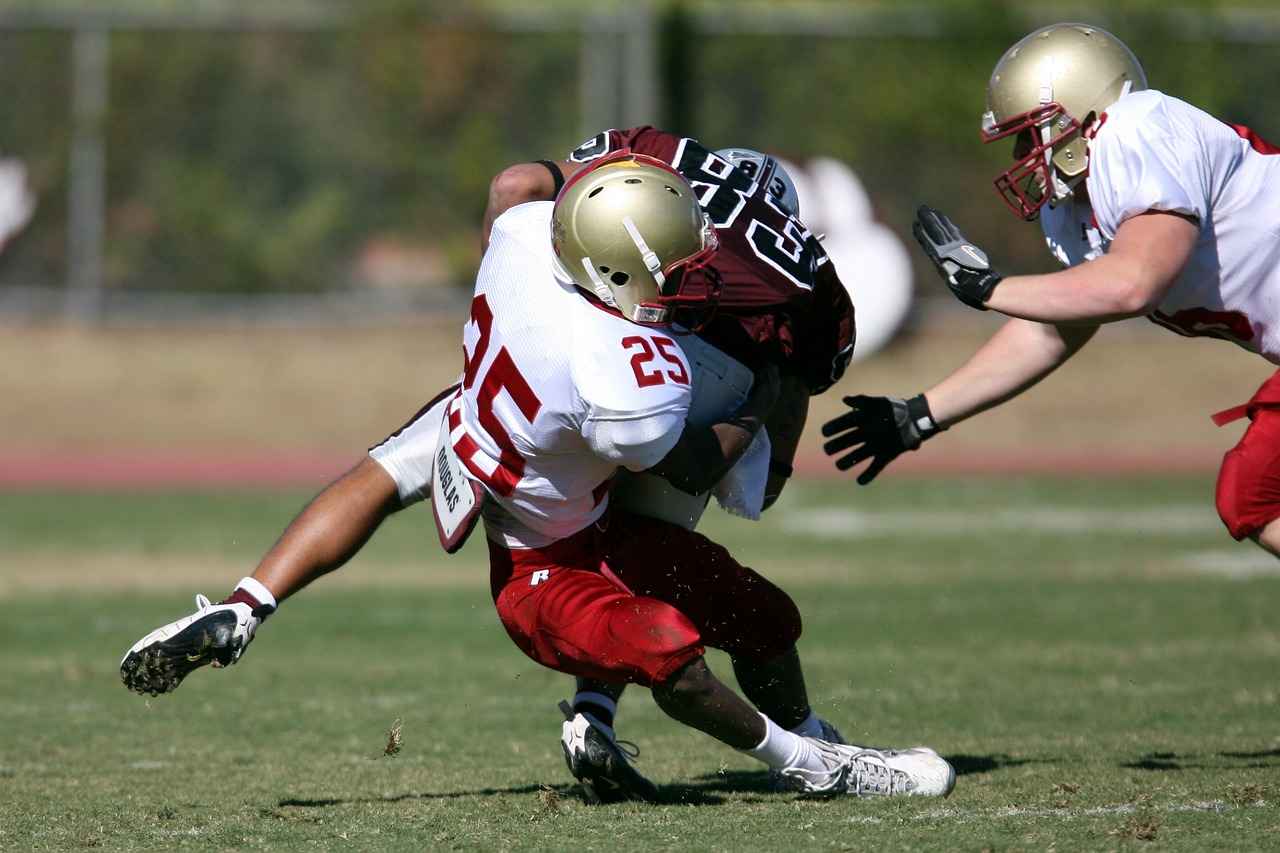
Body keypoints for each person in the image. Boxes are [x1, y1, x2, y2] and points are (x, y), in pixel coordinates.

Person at [121, 152, 955, 801]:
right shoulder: (628, 372)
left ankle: (244, 605)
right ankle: (813, 763)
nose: (684, 275)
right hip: (547, 567)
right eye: (667, 260)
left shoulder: (525, 236)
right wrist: (774, 381)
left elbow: (516, 188)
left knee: (765, 615)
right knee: (667, 639)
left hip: (478, 417)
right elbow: (698, 470)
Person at [482, 129, 859, 801]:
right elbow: (780, 415)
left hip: (544, 411)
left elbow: (518, 189)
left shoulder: (638, 203)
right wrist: (764, 437)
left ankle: (594, 714)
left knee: (611, 568)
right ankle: (807, 742)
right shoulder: (790, 296)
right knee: (641, 569)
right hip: (660, 420)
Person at [822, 22, 1280, 562]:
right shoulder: (1078, 211)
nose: (1020, 152)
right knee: (1253, 496)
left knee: (1255, 493)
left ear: (1082, 113)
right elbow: (1055, 325)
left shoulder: (1139, 127)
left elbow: (1134, 284)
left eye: (1029, 131)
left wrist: (989, 288)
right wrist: (922, 413)